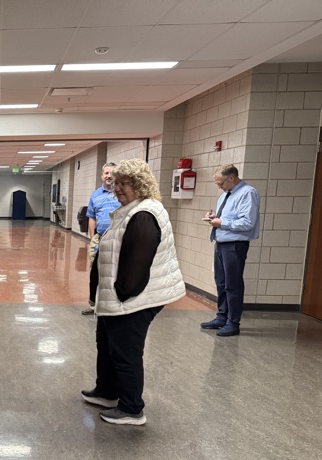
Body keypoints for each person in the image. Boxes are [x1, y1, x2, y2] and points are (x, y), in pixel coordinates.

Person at [81, 159, 185, 425]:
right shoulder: (130, 210)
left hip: (133, 299)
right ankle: (107, 392)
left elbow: (137, 265)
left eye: (123, 184)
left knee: (126, 351)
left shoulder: (144, 214)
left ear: (139, 184)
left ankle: (131, 408)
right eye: (115, 183)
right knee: (106, 344)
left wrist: (121, 294)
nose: (117, 189)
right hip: (117, 297)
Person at [200, 165, 261, 337]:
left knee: (232, 284)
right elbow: (227, 218)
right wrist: (214, 219)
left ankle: (233, 323)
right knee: (221, 282)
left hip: (235, 245)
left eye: (221, 183)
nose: (219, 187)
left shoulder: (248, 193)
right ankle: (222, 317)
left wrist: (222, 223)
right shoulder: (226, 195)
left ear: (232, 178)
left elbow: (247, 222)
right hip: (221, 242)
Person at [81, 162, 120, 315]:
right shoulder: (95, 195)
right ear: (102, 176)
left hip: (118, 238)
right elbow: (91, 217)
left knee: (115, 272)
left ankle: (113, 305)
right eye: (106, 173)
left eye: (112, 173)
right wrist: (93, 238)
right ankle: (94, 304)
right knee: (95, 272)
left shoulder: (121, 192)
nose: (109, 176)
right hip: (100, 238)